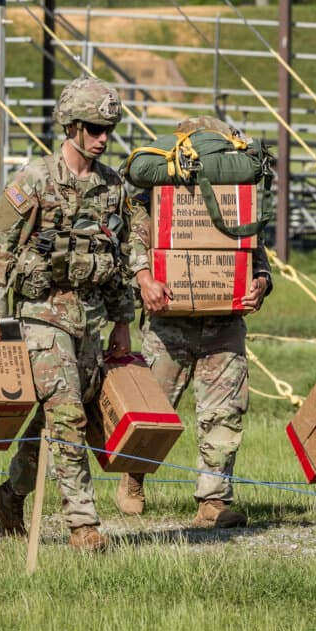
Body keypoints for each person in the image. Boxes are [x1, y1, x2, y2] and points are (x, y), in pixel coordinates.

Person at [0, 76, 134, 552]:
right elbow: (1, 245)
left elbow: (122, 256)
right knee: (65, 414)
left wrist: (123, 322)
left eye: (108, 128)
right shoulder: (35, 179)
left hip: (90, 315)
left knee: (59, 420)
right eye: (93, 128)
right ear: (70, 126)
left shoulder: (113, 188)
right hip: (42, 311)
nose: (102, 138)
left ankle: (9, 495)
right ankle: (83, 525)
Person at [121, 115, 273, 528]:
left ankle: (214, 500)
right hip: (170, 322)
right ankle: (133, 477)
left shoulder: (238, 196)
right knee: (156, 408)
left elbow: (252, 253)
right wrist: (144, 279)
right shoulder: (154, 195)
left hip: (224, 323)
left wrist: (260, 283)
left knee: (225, 411)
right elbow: (133, 240)